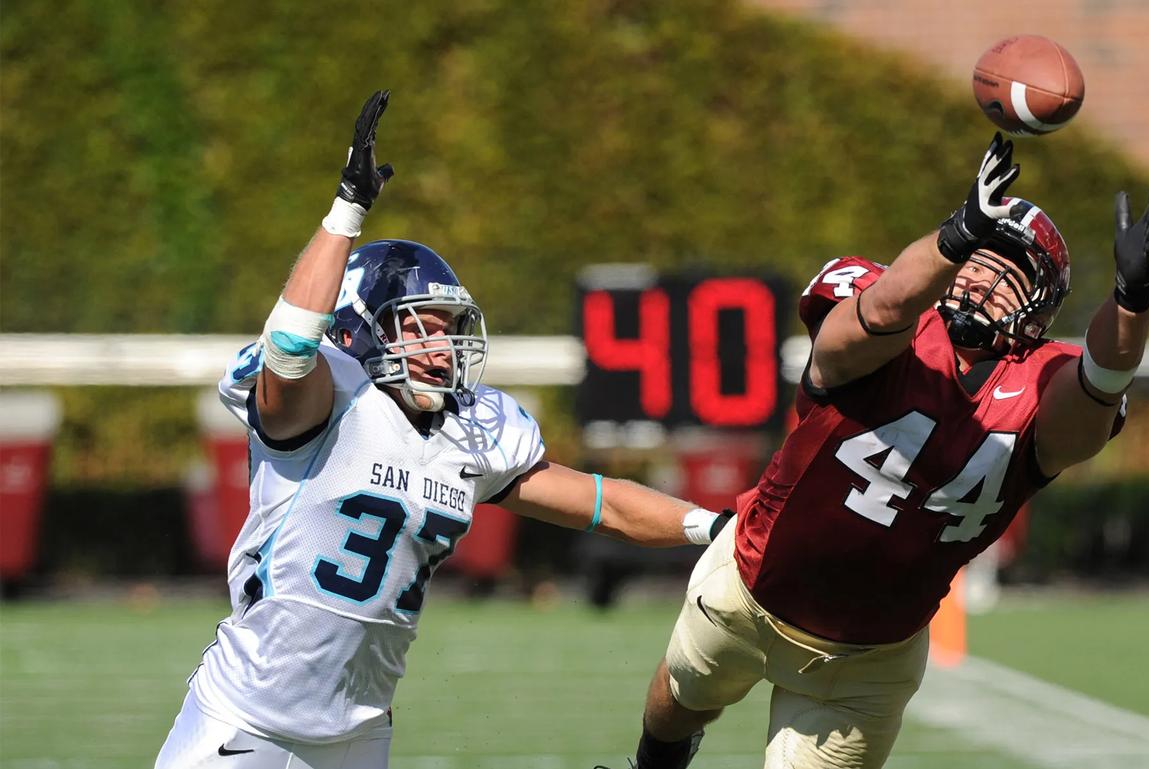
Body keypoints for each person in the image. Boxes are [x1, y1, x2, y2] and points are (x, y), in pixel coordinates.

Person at [153, 91, 731, 769]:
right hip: (245, 719)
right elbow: (287, 348)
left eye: (448, 329)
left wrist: (713, 528)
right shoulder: (324, 402)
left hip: (358, 734)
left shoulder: (472, 430)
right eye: (417, 327)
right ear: (361, 329)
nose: (438, 347)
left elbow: (601, 502)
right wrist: (346, 210)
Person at [613, 133, 1149, 769]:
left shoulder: (1042, 380)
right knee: (679, 700)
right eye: (978, 262)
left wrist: (1131, 304)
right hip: (749, 585)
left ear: (1039, 310)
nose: (985, 282)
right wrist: (953, 236)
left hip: (869, 659)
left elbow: (1097, 392)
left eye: (1010, 277)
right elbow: (878, 312)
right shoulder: (897, 324)